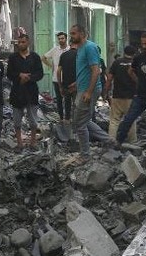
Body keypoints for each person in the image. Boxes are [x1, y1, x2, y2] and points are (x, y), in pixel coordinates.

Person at [70, 24, 103, 160]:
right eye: (71, 33)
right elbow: (85, 70)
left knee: (79, 123)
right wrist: (76, 84)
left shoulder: (90, 47)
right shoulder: (80, 48)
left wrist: (89, 92)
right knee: (84, 121)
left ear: (82, 34)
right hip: (82, 88)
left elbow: (96, 71)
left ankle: (85, 155)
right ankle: (109, 141)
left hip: (89, 90)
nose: (71, 37)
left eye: (74, 34)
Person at [6, 34, 43, 150]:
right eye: (19, 42)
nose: (21, 44)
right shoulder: (13, 57)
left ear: (28, 43)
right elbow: (9, 74)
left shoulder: (35, 57)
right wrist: (19, 76)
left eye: (23, 42)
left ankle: (33, 143)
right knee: (17, 121)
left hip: (31, 92)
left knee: (33, 120)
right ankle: (20, 143)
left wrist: (29, 77)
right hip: (17, 91)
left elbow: (40, 73)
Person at [105, 45, 138, 143]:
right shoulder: (135, 63)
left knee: (114, 120)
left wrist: (106, 92)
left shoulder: (117, 62)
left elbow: (109, 78)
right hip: (131, 96)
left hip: (117, 95)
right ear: (134, 54)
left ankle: (111, 140)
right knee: (131, 120)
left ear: (124, 52)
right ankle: (132, 141)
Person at [42, 32, 69, 122]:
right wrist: (51, 66)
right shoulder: (55, 50)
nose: (61, 40)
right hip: (56, 78)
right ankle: (61, 117)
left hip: (67, 78)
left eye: (62, 38)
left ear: (66, 39)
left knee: (68, 99)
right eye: (59, 39)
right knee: (59, 99)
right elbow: (43, 57)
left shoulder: (70, 49)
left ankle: (68, 118)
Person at [56, 40, 78, 128]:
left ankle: (67, 125)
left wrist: (60, 85)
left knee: (67, 105)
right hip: (78, 85)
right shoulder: (80, 55)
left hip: (66, 85)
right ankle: (77, 126)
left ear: (70, 44)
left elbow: (58, 72)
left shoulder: (64, 55)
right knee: (77, 106)